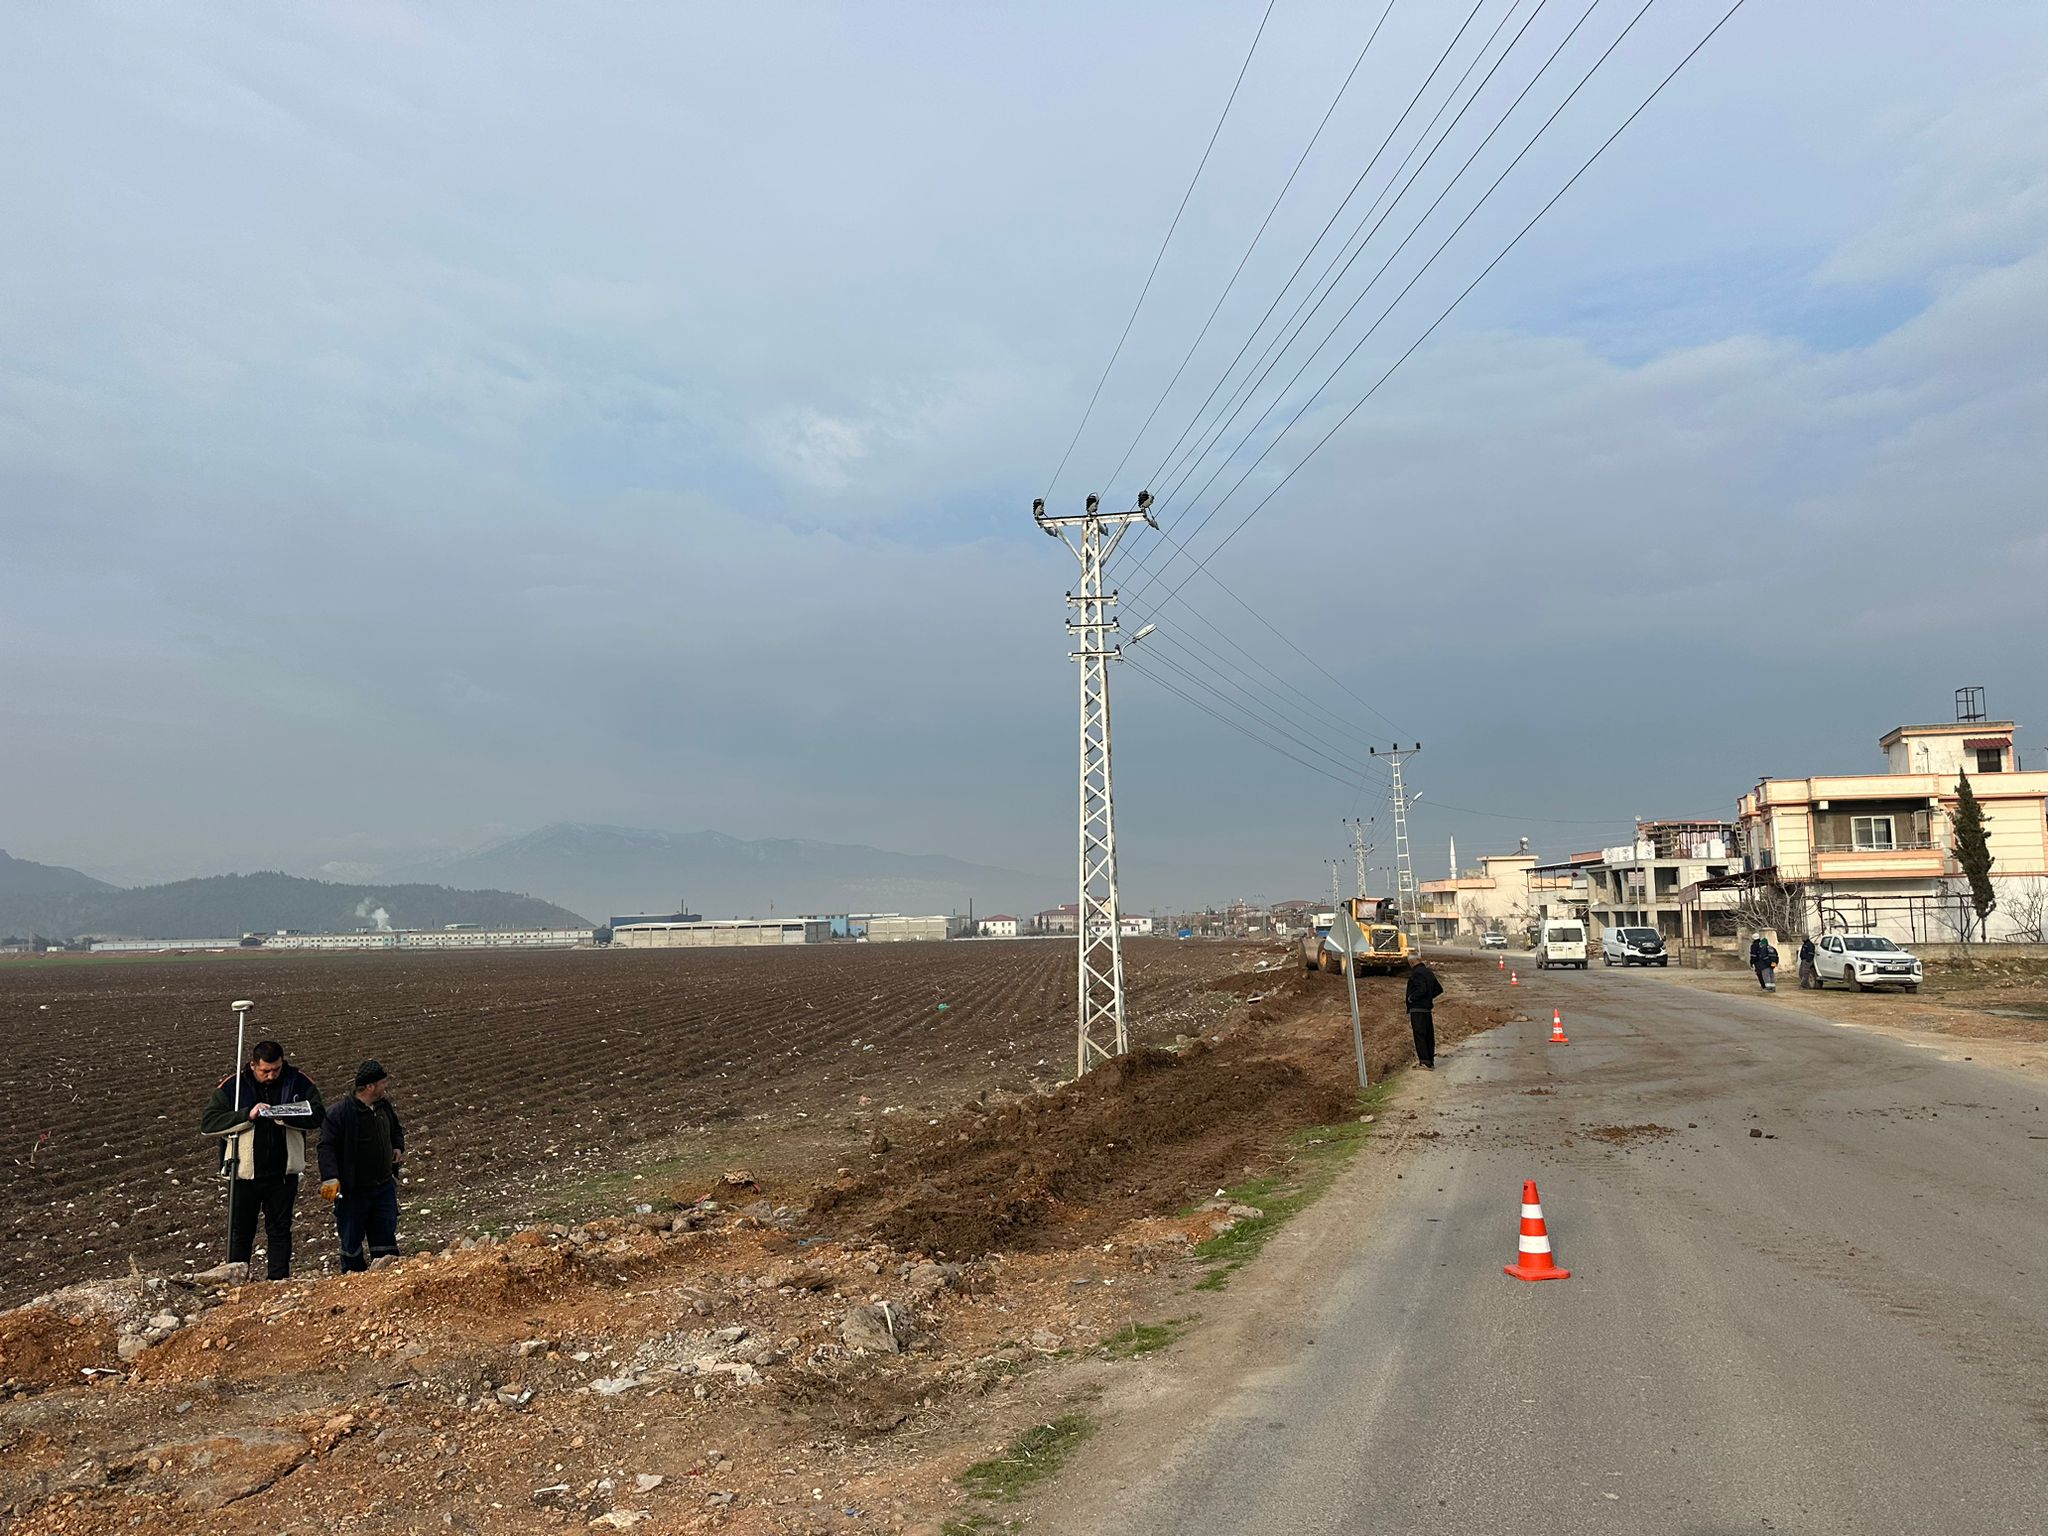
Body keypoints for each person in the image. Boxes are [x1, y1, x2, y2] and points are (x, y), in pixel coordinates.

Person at [200, 1039, 324, 1280]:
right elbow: (209, 1123)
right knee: (241, 1232)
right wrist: (248, 1114)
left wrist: (286, 1114)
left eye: (276, 1069)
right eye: (265, 1071)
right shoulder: (234, 1086)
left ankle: (277, 1282)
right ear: (253, 1065)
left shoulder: (298, 1081)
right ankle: (236, 1281)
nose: (271, 1075)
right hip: (244, 1174)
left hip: (283, 1174)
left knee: (279, 1231)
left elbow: (318, 1115)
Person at [319, 1060, 406, 1273]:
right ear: (370, 1087)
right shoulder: (340, 1114)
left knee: (385, 1235)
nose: (386, 1086)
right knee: (351, 1239)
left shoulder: (384, 1107)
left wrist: (397, 1147)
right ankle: (353, 1280)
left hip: (383, 1186)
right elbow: (326, 1146)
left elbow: (396, 1130)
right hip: (353, 1191)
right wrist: (330, 1177)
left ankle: (387, 1276)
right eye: (383, 1082)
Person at [1404, 958, 1444, 1070]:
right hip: (1427, 1009)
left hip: (1417, 1009)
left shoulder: (1416, 973)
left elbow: (1422, 989)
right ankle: (1430, 1061)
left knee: (1419, 1035)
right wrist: (1428, 998)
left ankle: (1424, 1062)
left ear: (1412, 962)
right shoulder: (1428, 972)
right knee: (1428, 1035)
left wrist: (1411, 998)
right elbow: (1439, 989)